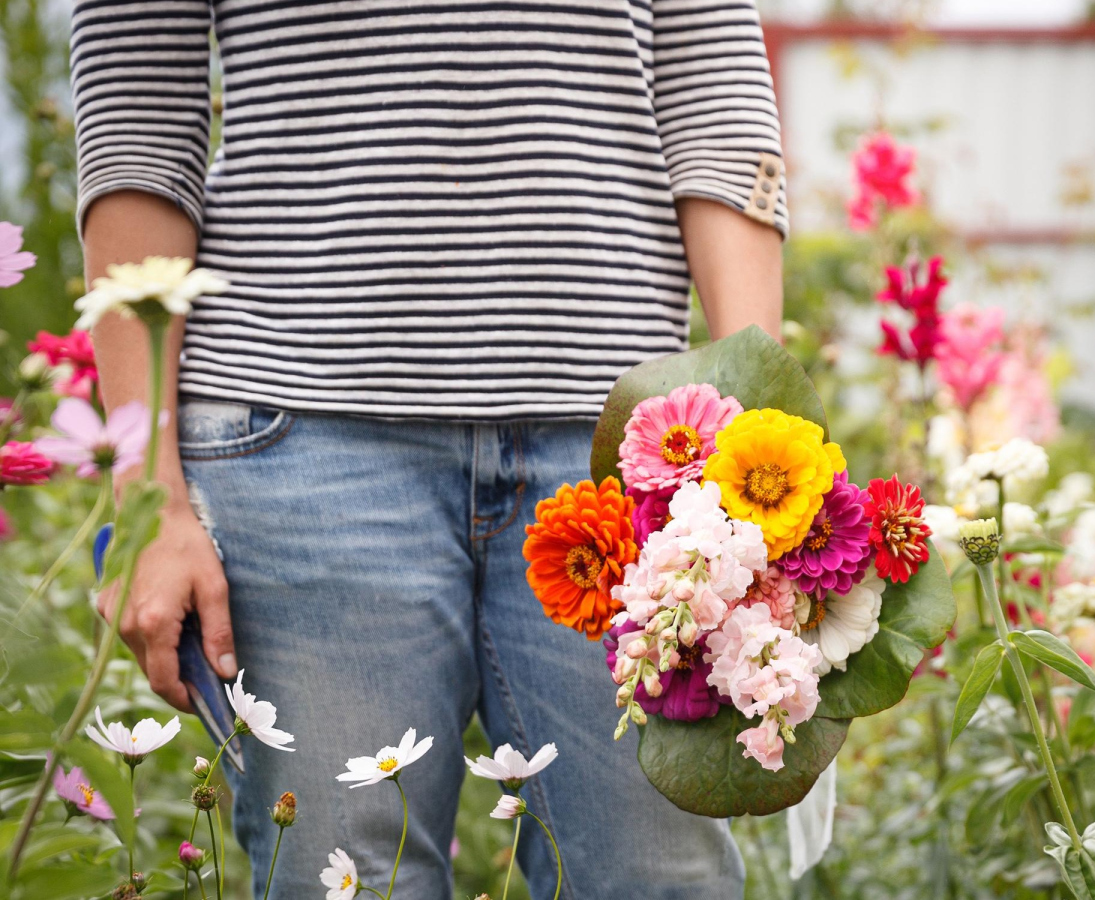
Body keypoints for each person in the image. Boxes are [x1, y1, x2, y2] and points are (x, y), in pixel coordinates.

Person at [70, 0, 787, 894]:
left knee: (663, 879)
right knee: (348, 883)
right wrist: (151, 498)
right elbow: (138, 117)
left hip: (628, 454)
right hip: (303, 442)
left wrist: (761, 453)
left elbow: (711, 92)